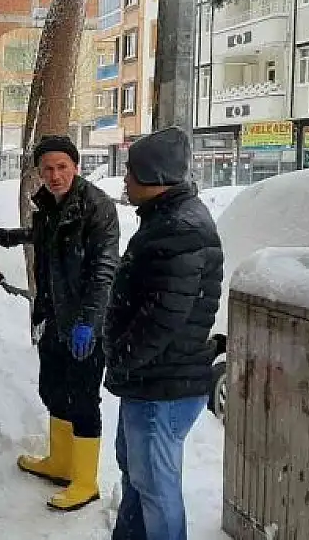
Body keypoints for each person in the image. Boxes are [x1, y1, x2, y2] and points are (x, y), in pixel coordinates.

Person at [102, 127, 224, 540]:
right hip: (151, 379)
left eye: (131, 173)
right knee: (137, 475)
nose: (124, 180)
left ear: (154, 178)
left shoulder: (180, 231)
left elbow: (163, 319)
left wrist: (119, 355)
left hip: (161, 384)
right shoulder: (168, 220)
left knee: (156, 487)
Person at [0, 135, 119, 511]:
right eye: (47, 168)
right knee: (52, 388)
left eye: (62, 166)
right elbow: (48, 237)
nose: (55, 175)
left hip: (84, 322)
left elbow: (103, 269)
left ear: (75, 167)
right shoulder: (46, 204)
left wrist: (89, 323)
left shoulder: (97, 207)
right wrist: (16, 237)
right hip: (51, 315)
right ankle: (60, 463)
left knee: (82, 399)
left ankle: (85, 481)